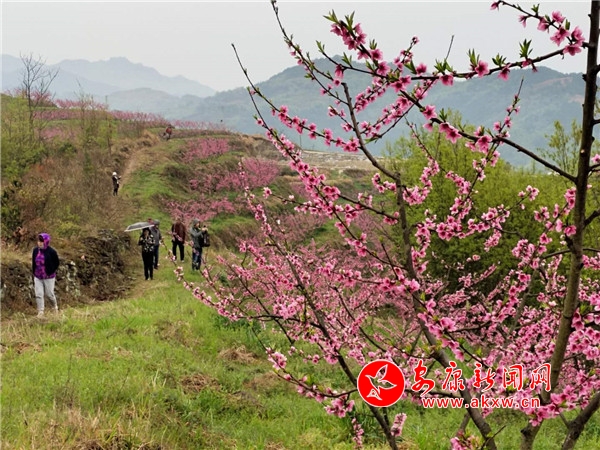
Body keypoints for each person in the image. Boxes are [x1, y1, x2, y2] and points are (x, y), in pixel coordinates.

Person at [31, 233, 60, 317]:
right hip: (38, 276)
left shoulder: (52, 252)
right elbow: (33, 262)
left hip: (48, 277)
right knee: (38, 294)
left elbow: (56, 263)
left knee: (49, 294)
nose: (39, 243)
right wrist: (34, 271)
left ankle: (54, 307)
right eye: (39, 241)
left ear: (46, 241)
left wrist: (51, 271)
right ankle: (40, 311)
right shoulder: (35, 250)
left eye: (42, 241)